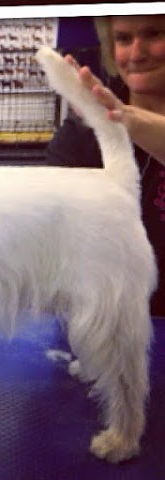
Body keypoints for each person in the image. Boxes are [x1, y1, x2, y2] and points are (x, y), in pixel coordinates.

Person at [46, 15, 165, 316]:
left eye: (153, 34)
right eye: (123, 39)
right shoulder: (78, 134)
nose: (137, 53)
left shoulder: (108, 114)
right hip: (95, 311)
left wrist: (124, 118)